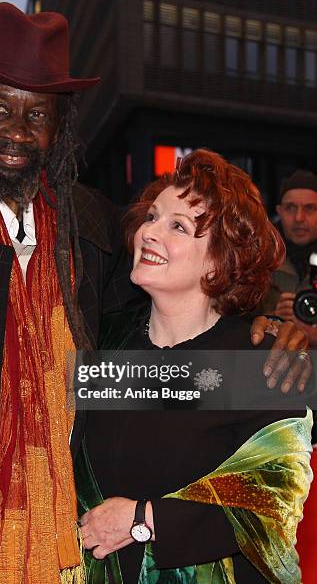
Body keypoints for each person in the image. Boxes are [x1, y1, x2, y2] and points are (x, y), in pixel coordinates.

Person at [0, 4, 309, 584]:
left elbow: (186, 369)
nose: (18, 132)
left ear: (59, 131)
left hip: (64, 559)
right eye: (1, 108)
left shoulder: (89, 230)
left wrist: (278, 334)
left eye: (39, 115)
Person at [76, 150, 313, 583]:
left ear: (219, 262)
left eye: (178, 227)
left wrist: (144, 520)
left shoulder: (263, 362)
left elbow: (271, 503)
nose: (150, 232)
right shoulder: (105, 345)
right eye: (152, 216)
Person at [260, 169, 317, 347]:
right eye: (290, 208)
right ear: (279, 211)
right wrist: (272, 318)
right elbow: (235, 322)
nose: (299, 218)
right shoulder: (258, 260)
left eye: (310, 208)